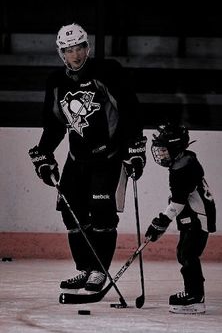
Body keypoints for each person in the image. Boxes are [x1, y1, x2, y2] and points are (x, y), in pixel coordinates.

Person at [29, 22, 147, 292]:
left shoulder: (107, 71)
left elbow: (130, 111)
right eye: (69, 50)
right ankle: (85, 269)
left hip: (108, 156)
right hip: (77, 157)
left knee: (103, 213)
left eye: (80, 48)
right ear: (61, 53)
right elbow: (55, 124)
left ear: (88, 47)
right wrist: (44, 153)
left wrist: (135, 148)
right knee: (72, 215)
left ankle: (99, 270)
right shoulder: (56, 82)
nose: (76, 55)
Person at [145, 123, 216, 314]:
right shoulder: (185, 160)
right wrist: (162, 223)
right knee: (184, 253)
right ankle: (194, 294)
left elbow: (178, 201)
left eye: (164, 149)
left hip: (198, 218)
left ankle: (195, 297)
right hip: (195, 216)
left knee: (188, 254)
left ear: (175, 147)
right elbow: (181, 199)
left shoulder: (182, 168)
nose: (160, 154)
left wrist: (161, 222)